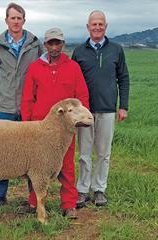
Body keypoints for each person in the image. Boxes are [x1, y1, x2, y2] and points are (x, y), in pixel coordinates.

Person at [21, 27, 89, 219]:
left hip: (65, 129)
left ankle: (68, 205)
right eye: (50, 43)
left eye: (57, 42)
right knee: (37, 166)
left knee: (66, 166)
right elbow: (27, 97)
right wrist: (27, 123)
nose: (54, 46)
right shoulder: (35, 67)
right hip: (39, 128)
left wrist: (80, 119)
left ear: (63, 44)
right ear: (45, 45)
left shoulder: (73, 67)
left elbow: (81, 95)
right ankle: (34, 202)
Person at [0, 2, 44, 209]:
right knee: (1, 150)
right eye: (12, 18)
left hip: (29, 106)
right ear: (6, 20)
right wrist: (3, 93)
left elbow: (41, 72)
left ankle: (33, 196)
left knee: (33, 151)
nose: (16, 21)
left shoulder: (35, 44)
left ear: (24, 20)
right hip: (5, 106)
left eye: (19, 18)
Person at [72, 10, 130, 208]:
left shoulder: (116, 49)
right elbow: (72, 81)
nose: (97, 27)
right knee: (84, 153)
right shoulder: (79, 51)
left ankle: (99, 189)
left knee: (104, 152)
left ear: (106, 26)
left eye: (100, 24)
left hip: (107, 109)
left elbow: (123, 78)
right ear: (88, 27)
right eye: (93, 24)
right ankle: (82, 190)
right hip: (84, 111)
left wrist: (123, 106)